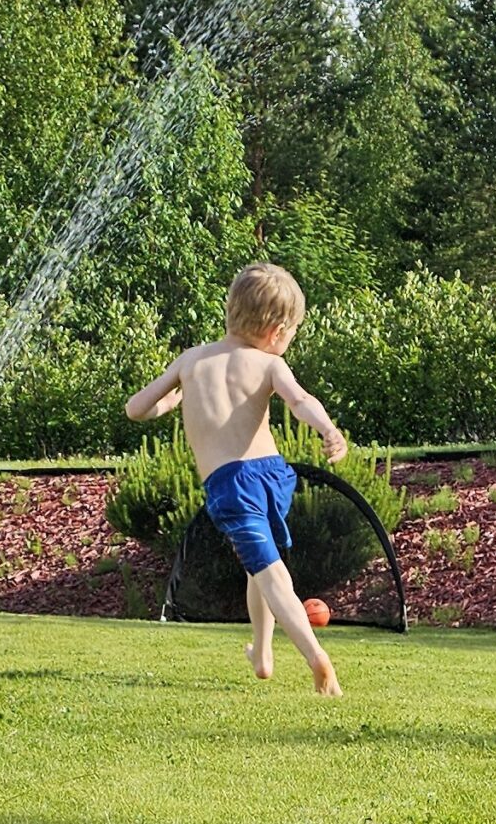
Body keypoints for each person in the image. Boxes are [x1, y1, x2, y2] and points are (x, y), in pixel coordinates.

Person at [125, 262, 348, 696]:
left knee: (268, 571)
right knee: (257, 568)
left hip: (230, 485)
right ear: (277, 330)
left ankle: (315, 656)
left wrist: (175, 399)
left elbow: (137, 408)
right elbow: (300, 401)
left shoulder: (193, 360)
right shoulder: (267, 364)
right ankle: (262, 656)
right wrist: (328, 431)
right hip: (273, 476)